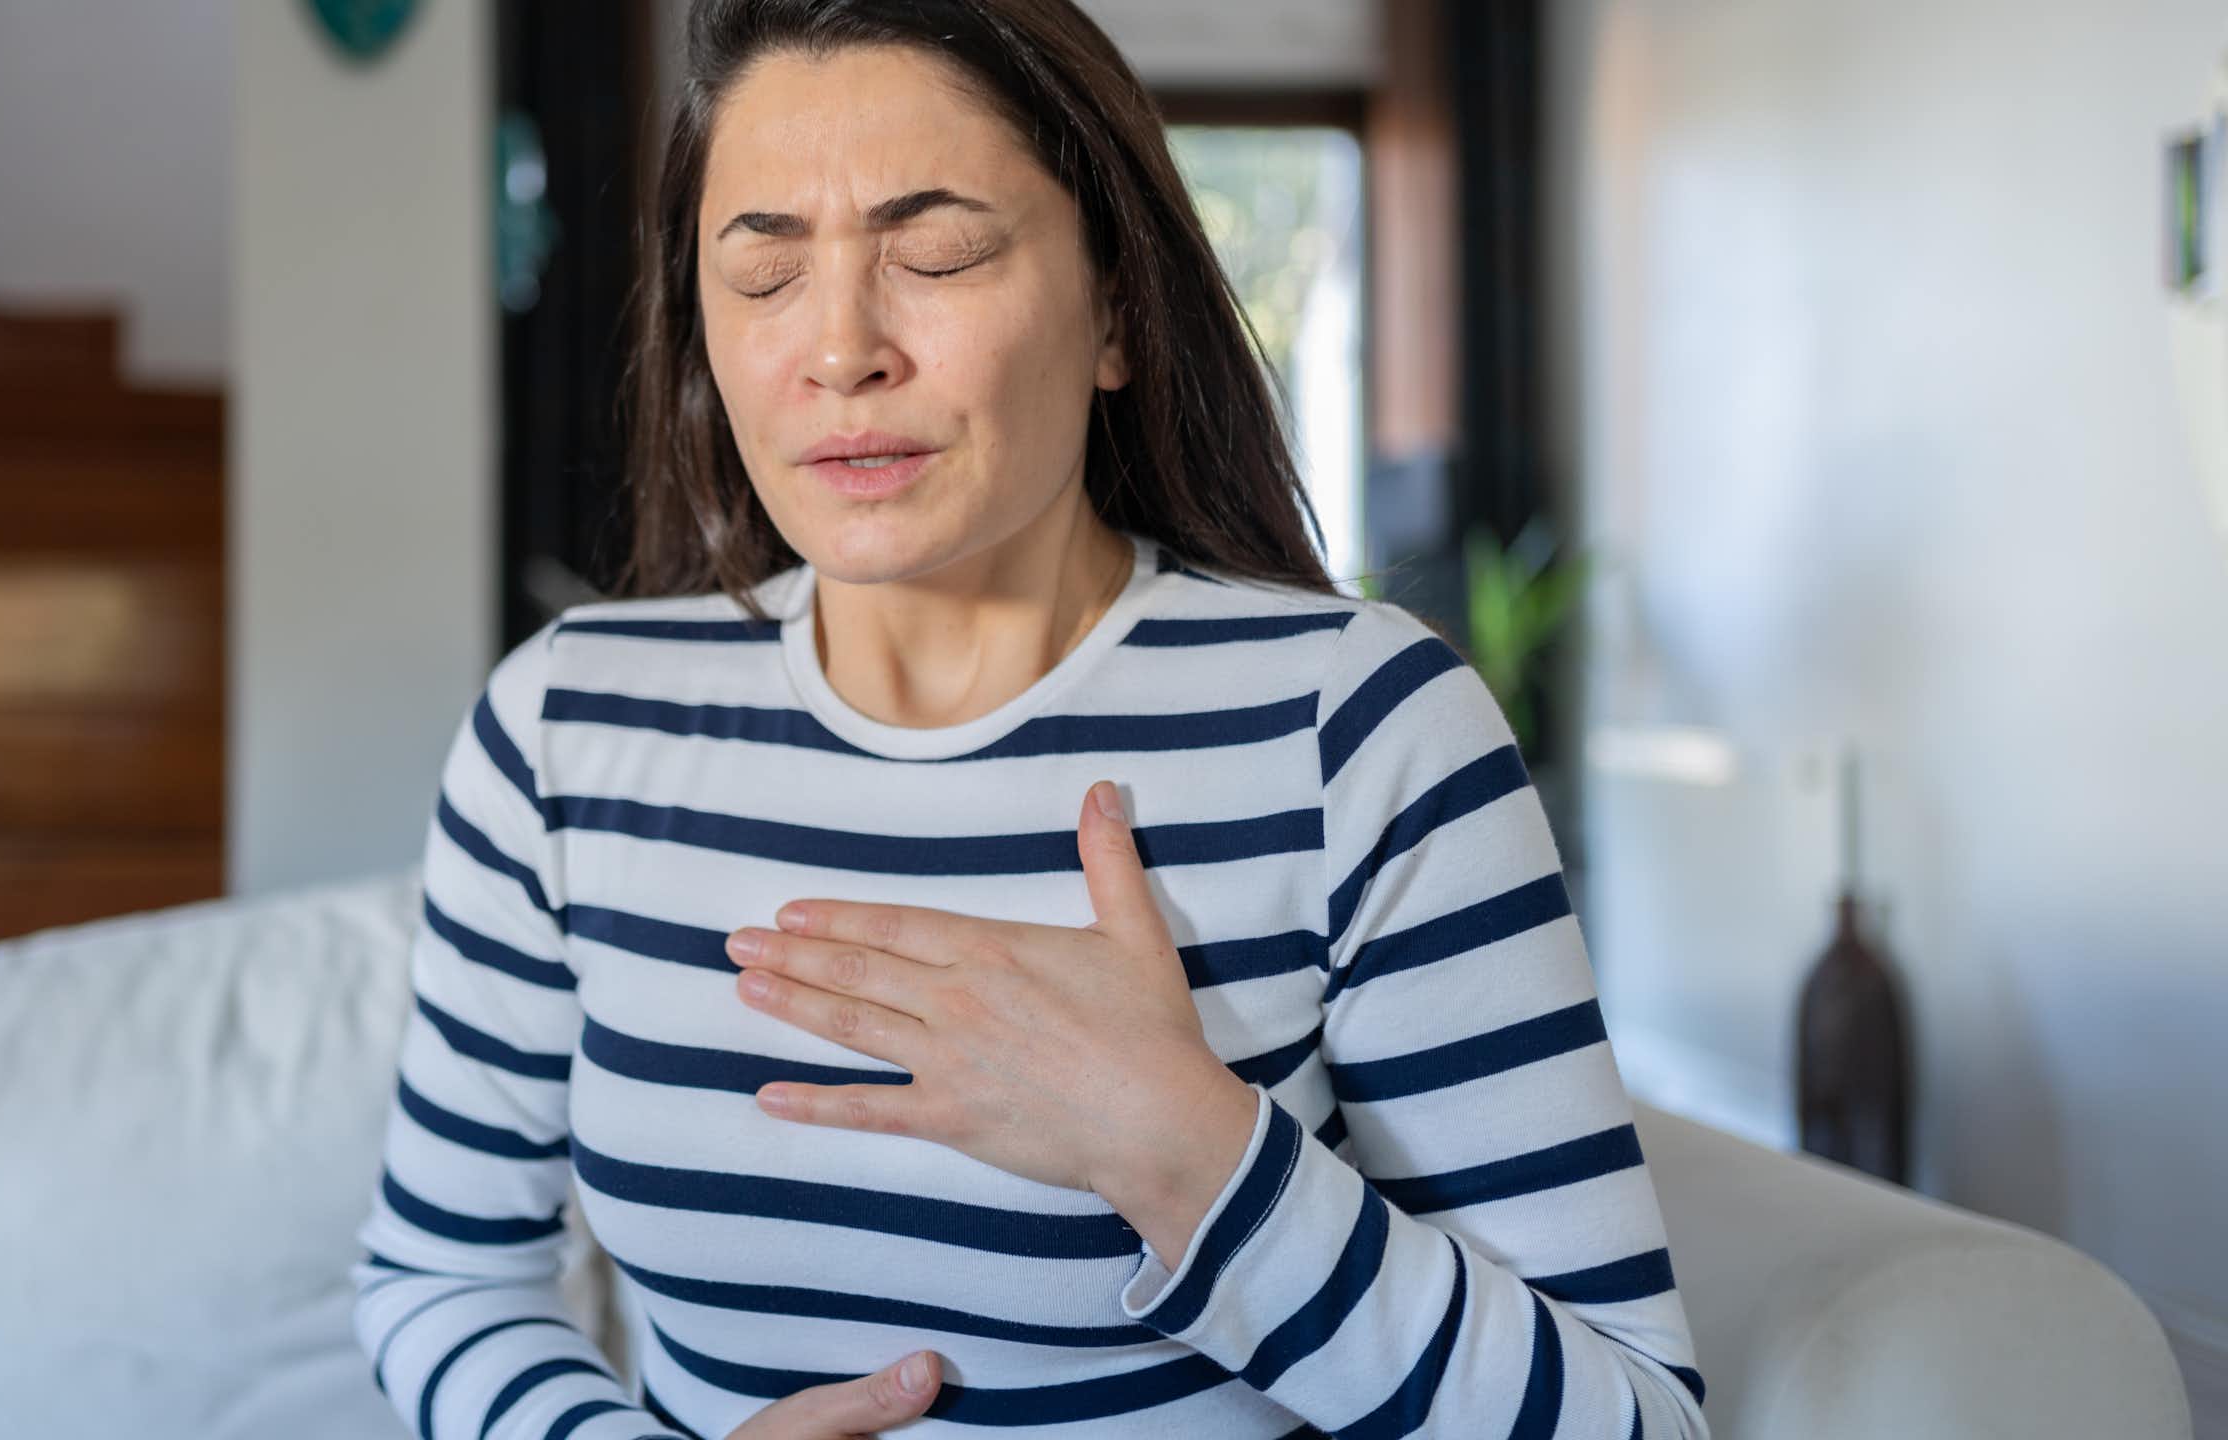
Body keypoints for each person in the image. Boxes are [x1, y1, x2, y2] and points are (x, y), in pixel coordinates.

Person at [348, 1, 1709, 1436]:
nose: (840, 349)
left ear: (1117, 308)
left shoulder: (1356, 733)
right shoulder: (565, 733)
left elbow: (1632, 1420)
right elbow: (443, 1280)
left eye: (935, 252)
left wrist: (1181, 1148)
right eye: (761, 275)